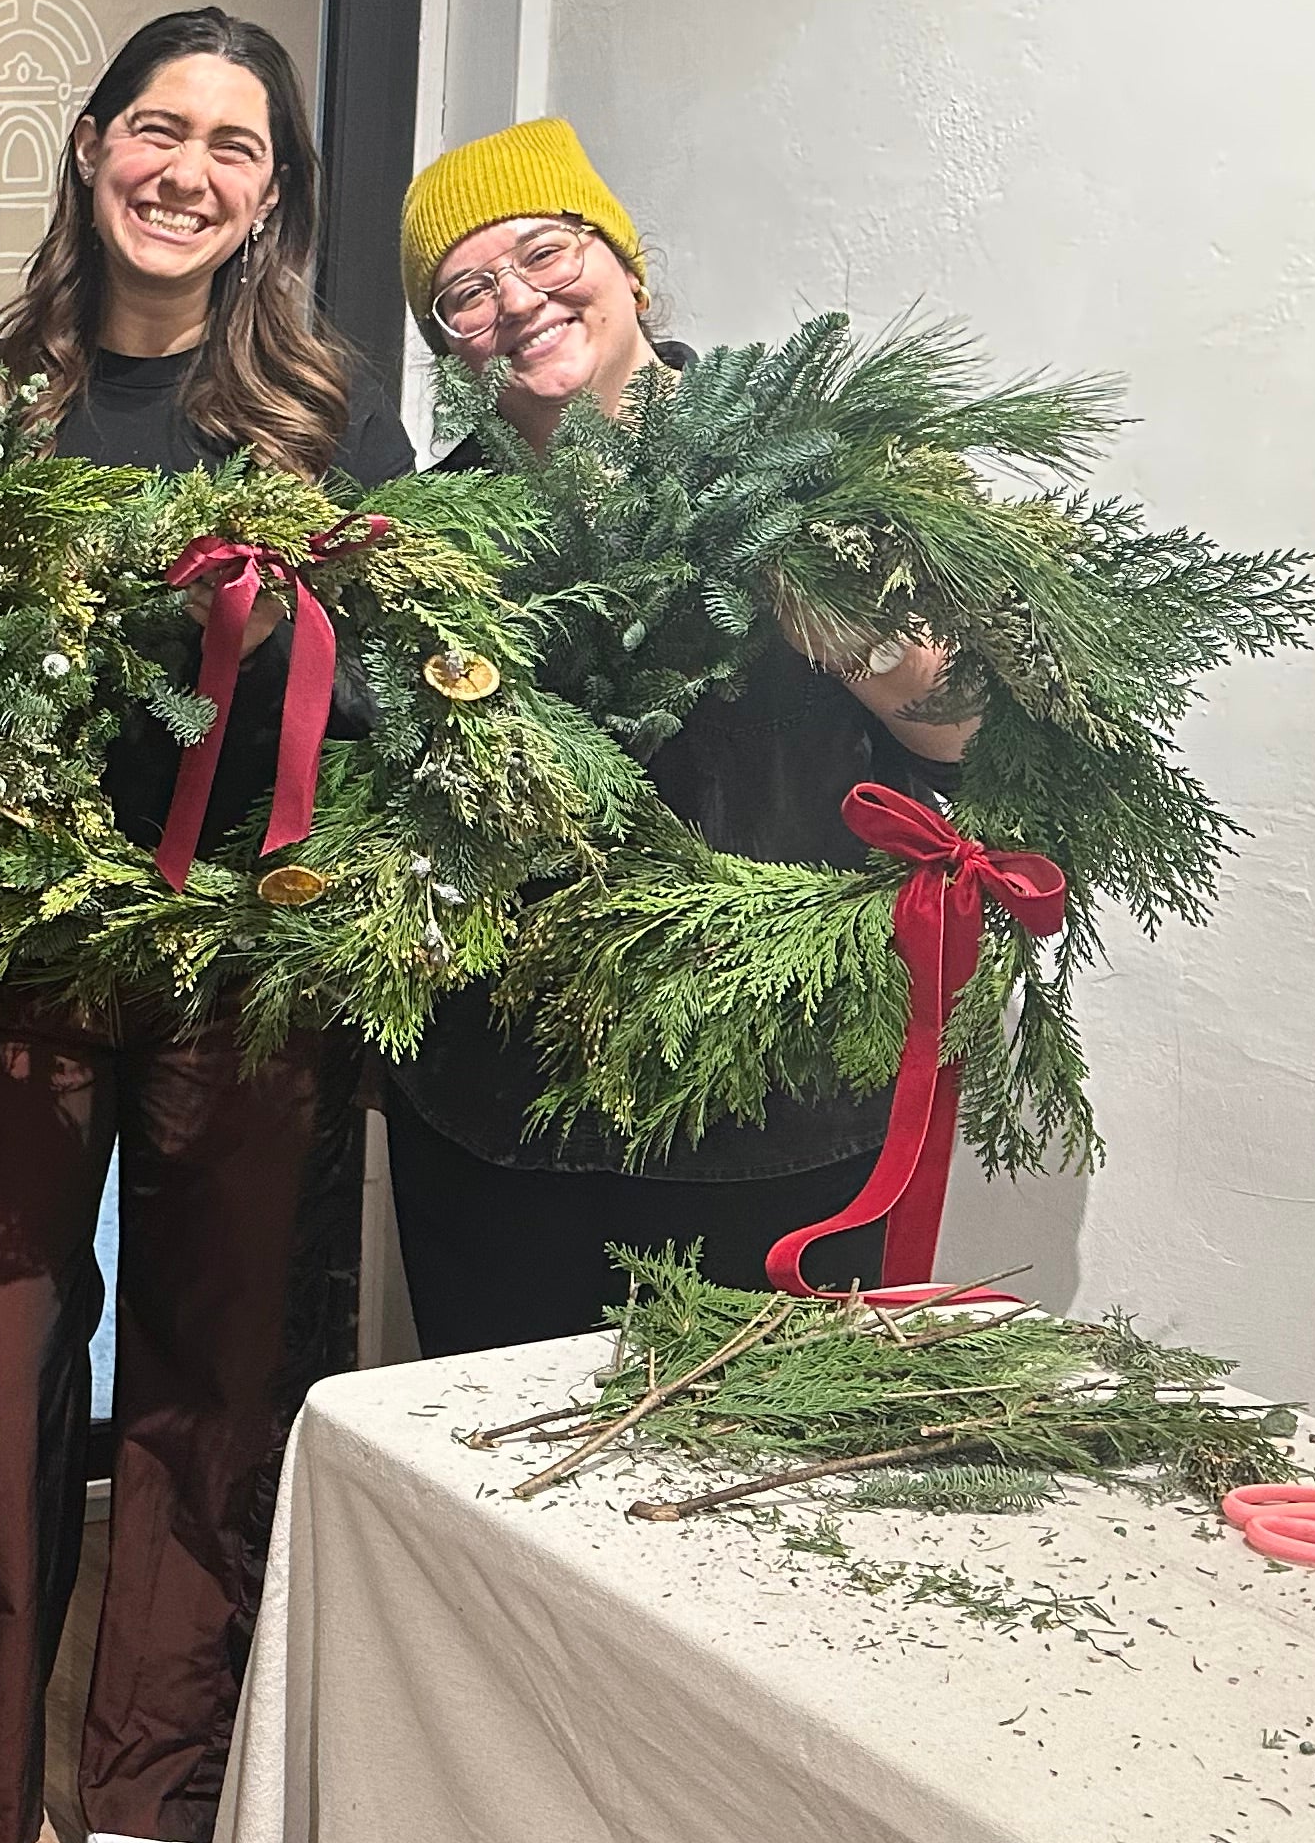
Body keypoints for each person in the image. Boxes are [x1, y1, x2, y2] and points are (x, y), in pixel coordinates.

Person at [0, 6, 409, 1843]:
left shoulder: (338, 424)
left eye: (233, 145)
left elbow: (386, 718)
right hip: (19, 945)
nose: (186, 170)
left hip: (243, 965)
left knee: (211, 1353)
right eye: (156, 127)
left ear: (272, 194)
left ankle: (156, 1761)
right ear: (92, 143)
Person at [388, 119, 960, 1345]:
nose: (518, 300)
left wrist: (823, 603)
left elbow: (958, 741)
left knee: (764, 1502)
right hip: (507, 1126)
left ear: (628, 266)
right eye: (464, 294)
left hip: (780, 1110)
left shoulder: (806, 464)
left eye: (546, 250)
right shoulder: (425, 540)